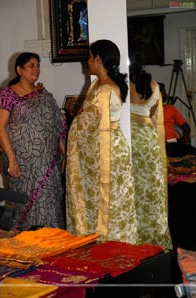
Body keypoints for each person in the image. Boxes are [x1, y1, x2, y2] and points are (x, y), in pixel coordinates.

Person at [66, 39, 137, 243]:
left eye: (89, 57)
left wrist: (73, 121)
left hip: (108, 152)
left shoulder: (105, 89)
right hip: (103, 149)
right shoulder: (98, 84)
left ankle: (111, 247)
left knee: (109, 201)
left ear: (98, 59)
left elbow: (83, 123)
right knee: (102, 200)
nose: (87, 61)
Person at [0, 52, 68, 230]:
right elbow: (0, 128)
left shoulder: (45, 95)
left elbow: (55, 128)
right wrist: (12, 160)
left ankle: (51, 243)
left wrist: (66, 155)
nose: (36, 69)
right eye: (31, 66)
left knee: (49, 203)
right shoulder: (7, 95)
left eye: (38, 66)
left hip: (48, 165)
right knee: (23, 204)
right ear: (19, 70)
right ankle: (27, 246)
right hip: (21, 165)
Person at [129, 53, 172, 249]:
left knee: (131, 191)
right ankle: (153, 238)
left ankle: (133, 237)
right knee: (150, 191)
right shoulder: (153, 85)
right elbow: (153, 114)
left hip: (128, 141)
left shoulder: (118, 86)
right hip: (148, 142)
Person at [158, 82, 196, 157]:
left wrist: (186, 136)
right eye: (163, 92)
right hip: (159, 145)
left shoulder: (170, 108)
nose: (166, 94)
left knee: (192, 151)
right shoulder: (148, 111)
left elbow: (185, 126)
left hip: (173, 143)